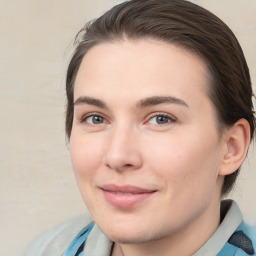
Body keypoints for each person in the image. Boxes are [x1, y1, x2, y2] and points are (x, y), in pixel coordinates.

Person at [24, 0, 256, 255]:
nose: (118, 156)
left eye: (161, 119)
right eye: (96, 118)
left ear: (231, 147)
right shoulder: (48, 248)